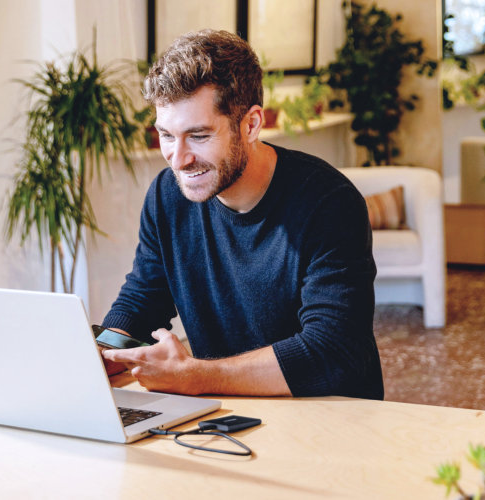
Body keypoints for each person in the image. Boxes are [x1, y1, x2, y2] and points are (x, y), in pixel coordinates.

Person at [99, 29, 384, 400]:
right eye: (166, 135)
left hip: (329, 414)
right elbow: (143, 300)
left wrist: (198, 377)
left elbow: (332, 351)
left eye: (198, 136)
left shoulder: (329, 203)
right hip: (228, 411)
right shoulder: (167, 195)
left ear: (250, 125)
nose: (179, 159)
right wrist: (101, 353)